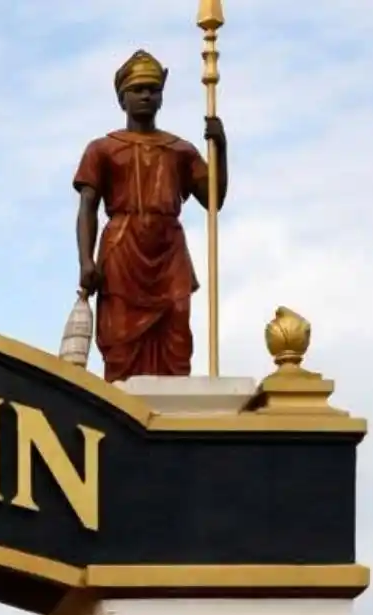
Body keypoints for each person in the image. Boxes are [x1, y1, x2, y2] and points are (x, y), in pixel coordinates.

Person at [73, 49, 228, 382]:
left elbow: (213, 200)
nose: (145, 95)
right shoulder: (102, 149)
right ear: (122, 98)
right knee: (120, 336)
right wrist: (85, 260)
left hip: (169, 249)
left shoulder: (180, 150)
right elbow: (87, 206)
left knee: (177, 326)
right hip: (123, 247)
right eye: (137, 89)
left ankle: (175, 399)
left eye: (152, 89)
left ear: (161, 97)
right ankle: (120, 402)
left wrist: (221, 148)